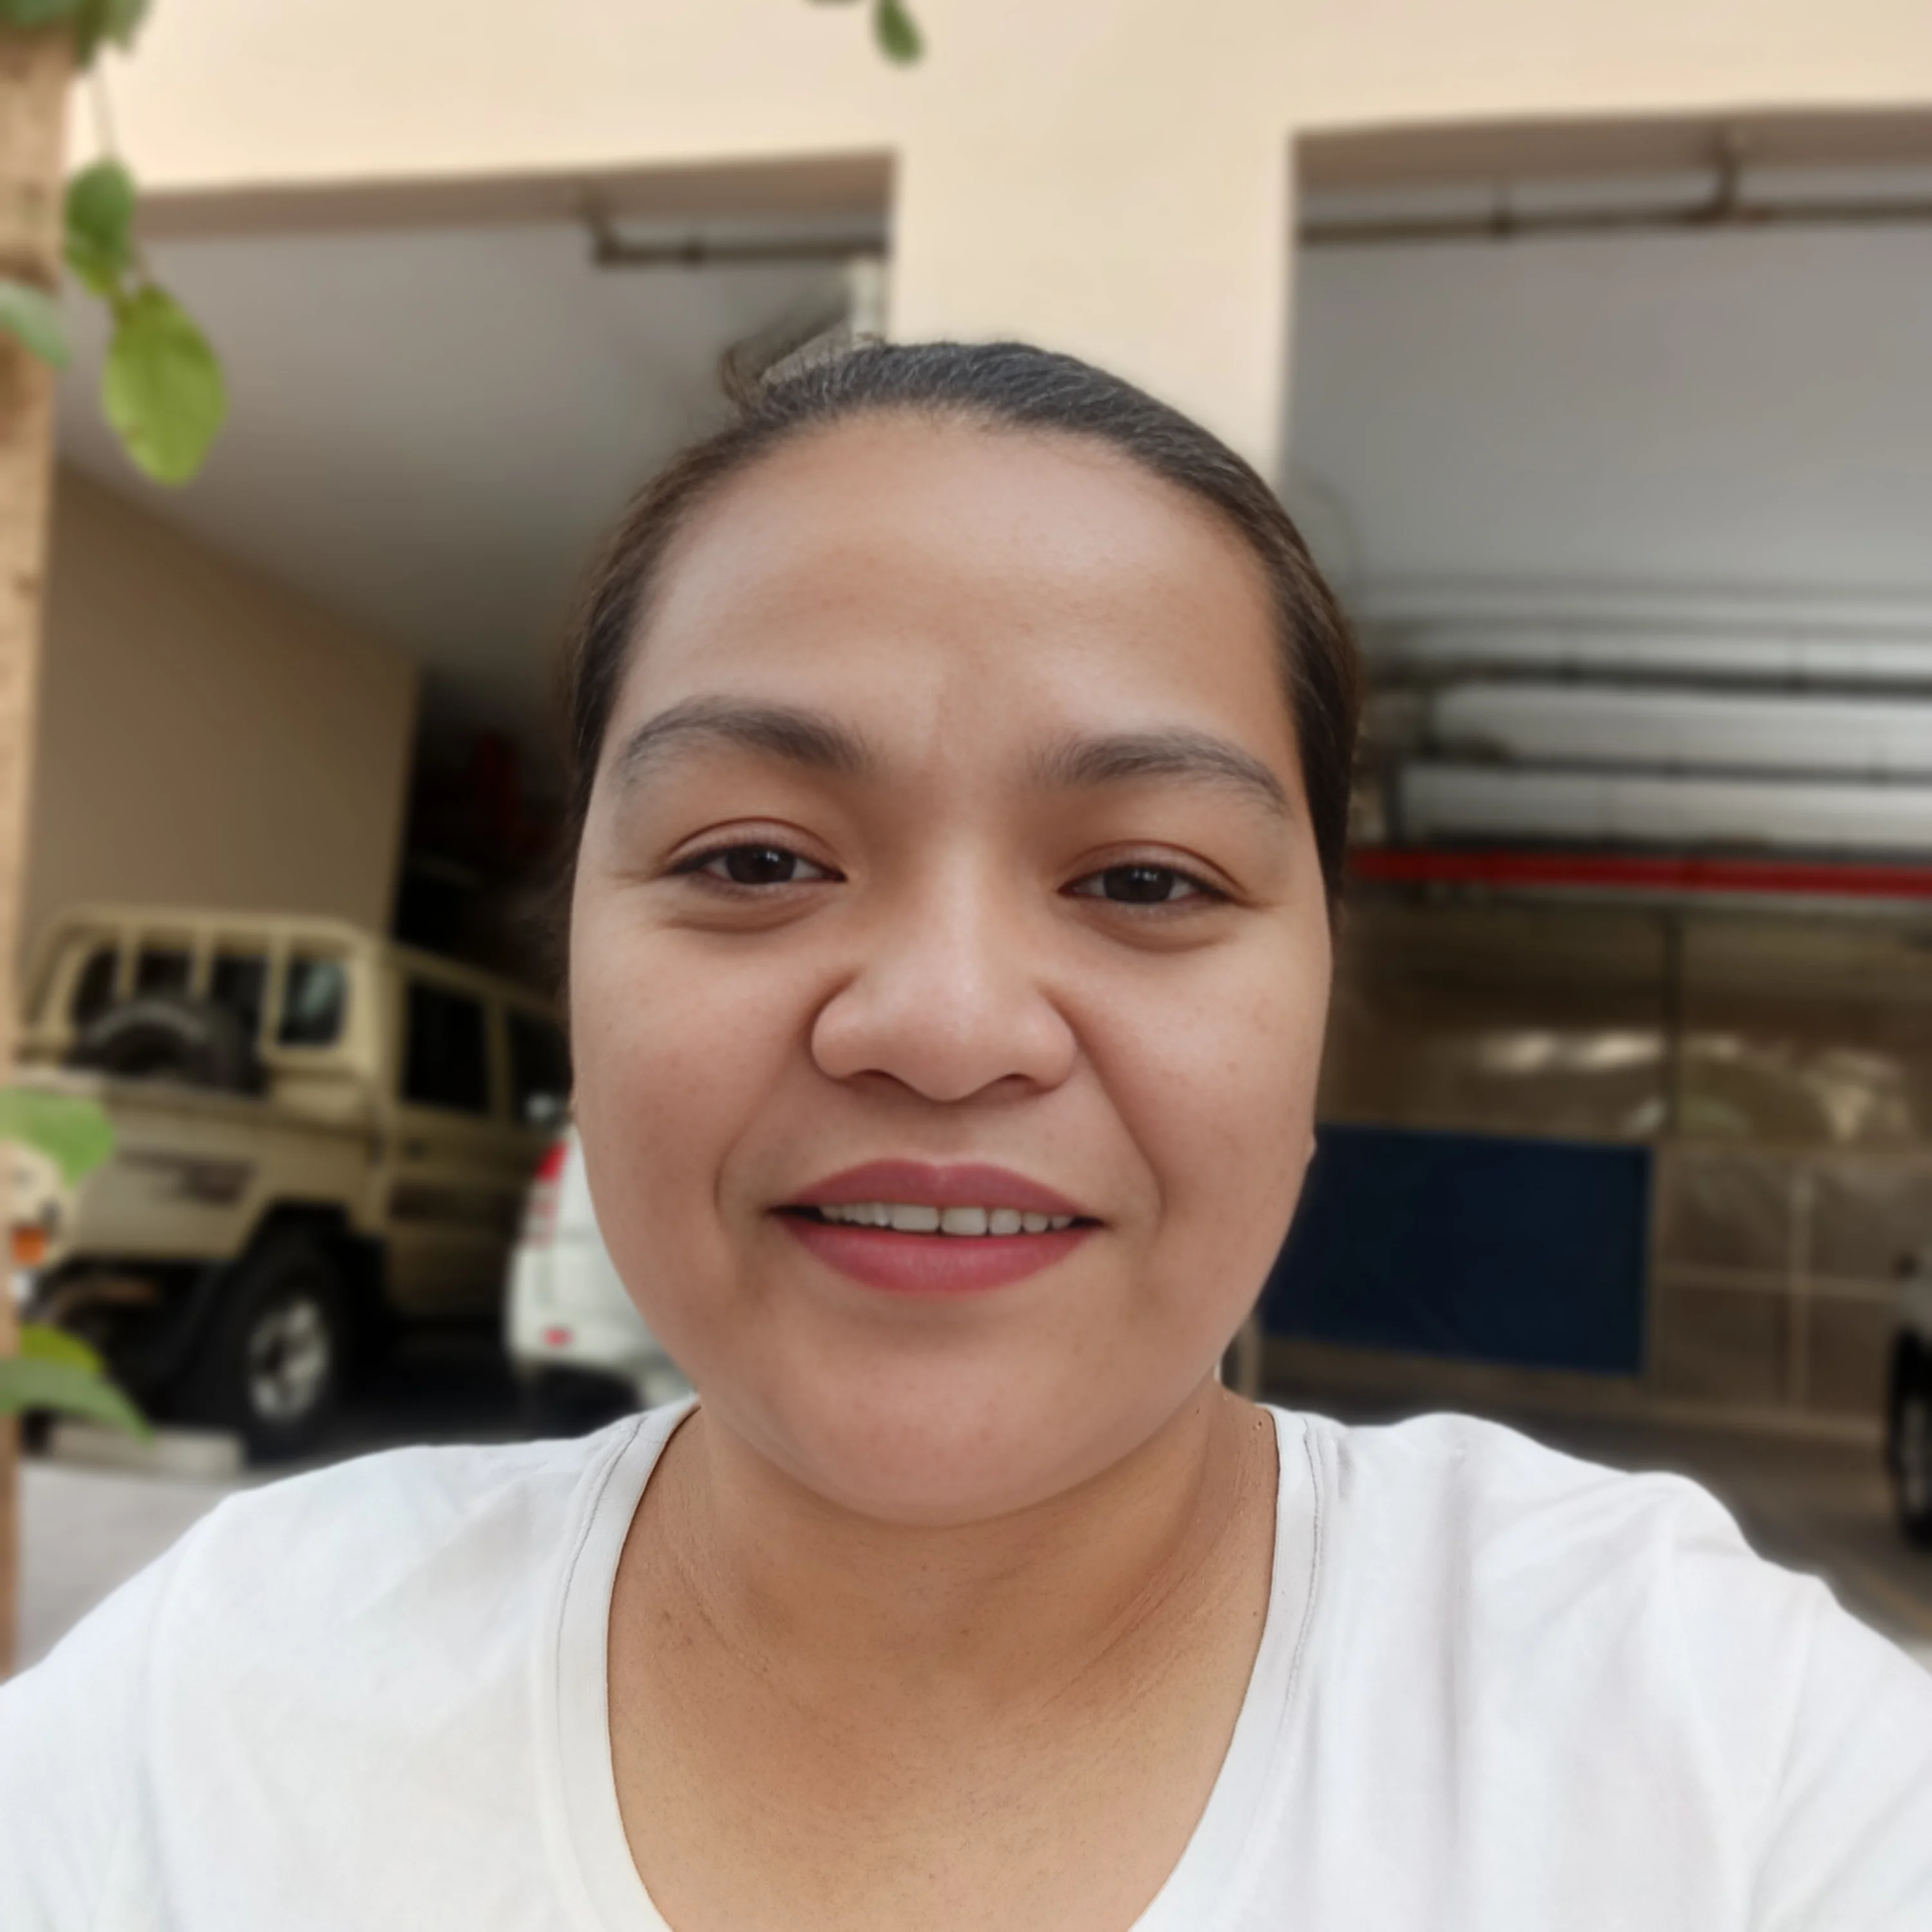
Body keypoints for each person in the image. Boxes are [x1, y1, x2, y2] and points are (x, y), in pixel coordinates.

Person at [3, 341, 1930, 1930]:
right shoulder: (217, 1712)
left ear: (1318, 1006)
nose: (941, 1029)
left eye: (1147, 880)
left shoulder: (1718, 1750)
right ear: (575, 957)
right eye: (755, 859)